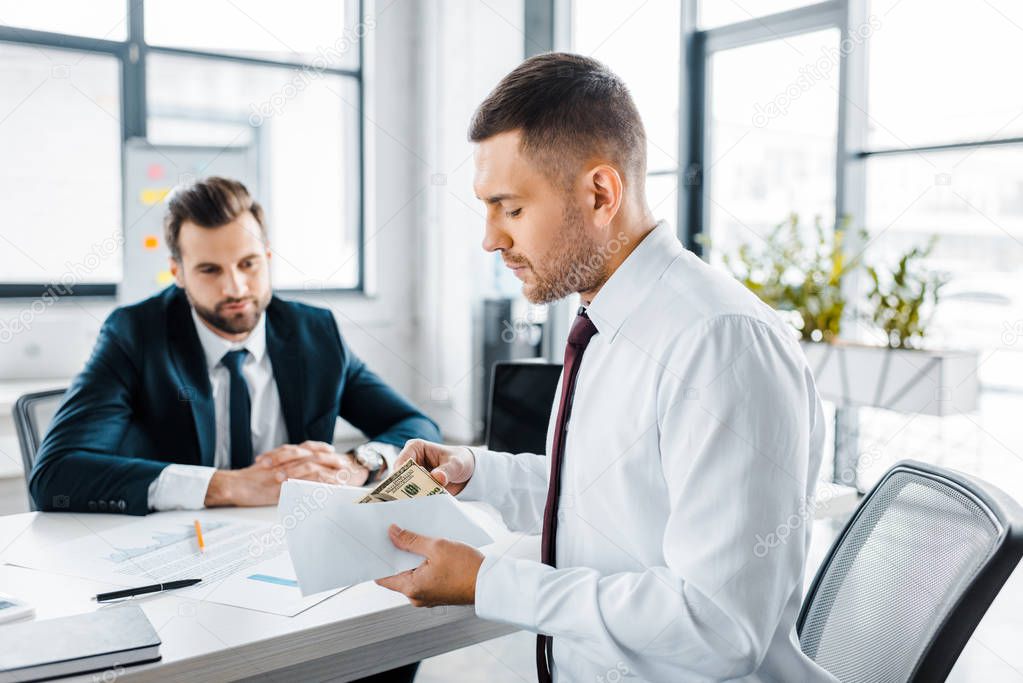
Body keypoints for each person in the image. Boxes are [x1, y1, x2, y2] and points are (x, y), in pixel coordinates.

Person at [375, 53, 837, 682]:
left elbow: (717, 626)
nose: (490, 239)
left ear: (600, 194)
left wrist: (491, 583)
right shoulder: (609, 318)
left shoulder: (720, 343)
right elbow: (611, 501)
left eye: (510, 209)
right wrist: (477, 471)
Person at [30, 177, 440, 516]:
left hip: (291, 543)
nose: (235, 288)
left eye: (248, 264)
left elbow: (418, 428)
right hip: (180, 551)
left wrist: (358, 465)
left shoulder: (314, 332)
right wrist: (229, 486)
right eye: (209, 270)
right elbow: (56, 475)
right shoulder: (135, 334)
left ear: (267, 256)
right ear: (178, 272)